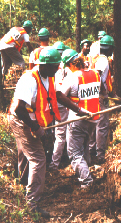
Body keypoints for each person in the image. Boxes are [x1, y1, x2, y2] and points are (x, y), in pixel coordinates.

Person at [8, 46, 89, 217]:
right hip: (20, 119)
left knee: (26, 153)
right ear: (43, 65)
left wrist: (79, 110)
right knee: (38, 159)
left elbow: (58, 96)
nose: (58, 69)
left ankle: (22, 186)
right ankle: (32, 205)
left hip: (29, 118)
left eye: (58, 65)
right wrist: (36, 128)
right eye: (54, 66)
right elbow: (19, 110)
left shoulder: (48, 76)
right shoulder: (29, 79)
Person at [61, 49, 101, 188]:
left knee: (74, 153)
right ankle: (86, 172)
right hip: (93, 118)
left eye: (67, 65)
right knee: (84, 148)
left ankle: (86, 181)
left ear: (72, 64)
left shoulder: (72, 77)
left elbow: (60, 95)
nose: (67, 68)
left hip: (77, 119)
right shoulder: (96, 74)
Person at [89, 35, 115, 164]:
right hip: (98, 95)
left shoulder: (97, 58)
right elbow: (97, 76)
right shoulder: (103, 60)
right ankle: (100, 155)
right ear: (109, 48)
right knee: (102, 124)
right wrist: (103, 92)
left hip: (94, 94)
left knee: (95, 122)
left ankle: (91, 150)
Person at [49, 41, 69, 171]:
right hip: (59, 103)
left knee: (55, 133)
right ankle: (54, 164)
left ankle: (55, 159)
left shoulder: (51, 66)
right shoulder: (63, 68)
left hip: (50, 103)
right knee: (60, 135)